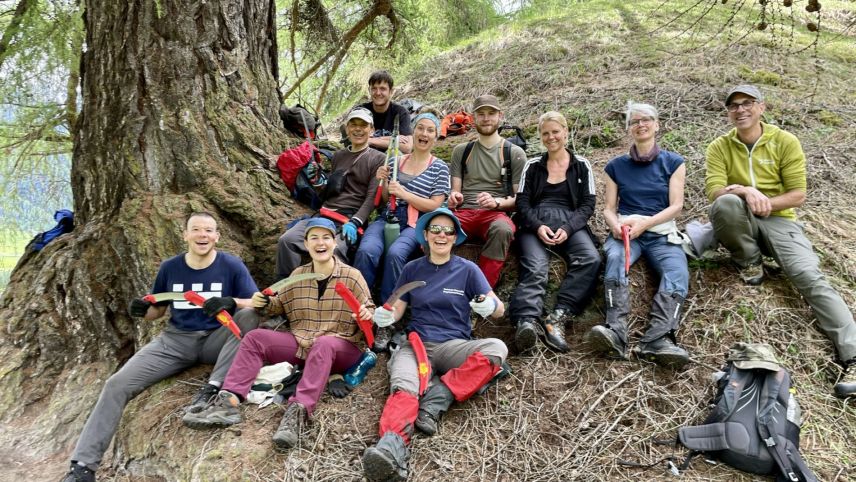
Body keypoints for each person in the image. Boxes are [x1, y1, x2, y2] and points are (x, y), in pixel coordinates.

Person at [61, 212, 258, 482]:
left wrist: (231, 302)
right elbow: (158, 311)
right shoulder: (170, 267)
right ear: (185, 235)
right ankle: (83, 466)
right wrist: (143, 310)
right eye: (197, 230)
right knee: (117, 384)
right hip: (175, 341)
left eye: (209, 231)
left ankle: (213, 389)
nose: (203, 235)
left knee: (248, 318)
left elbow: (257, 303)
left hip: (217, 339)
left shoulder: (231, 265)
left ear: (217, 236)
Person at [705, 84, 856, 397]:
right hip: (739, 218)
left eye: (748, 103)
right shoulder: (720, 146)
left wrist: (768, 203)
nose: (741, 110)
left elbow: (798, 194)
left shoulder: (784, 141)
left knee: (808, 275)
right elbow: (715, 191)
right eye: (734, 105)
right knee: (726, 204)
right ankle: (749, 262)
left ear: (762, 107)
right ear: (728, 112)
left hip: (780, 220)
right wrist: (746, 191)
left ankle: (853, 355)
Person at [183, 218, 375, 448]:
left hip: (342, 347)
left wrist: (367, 314)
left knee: (324, 344)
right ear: (305, 244)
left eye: (326, 237)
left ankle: (298, 413)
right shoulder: (297, 276)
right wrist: (262, 302)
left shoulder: (352, 276)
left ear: (335, 243)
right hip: (303, 343)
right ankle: (229, 402)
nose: (320, 243)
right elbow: (277, 306)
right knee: (255, 338)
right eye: (314, 238)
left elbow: (370, 311)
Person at [361, 208, 508, 481]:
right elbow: (396, 311)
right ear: (425, 235)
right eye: (436, 230)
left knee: (497, 349)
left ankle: (438, 398)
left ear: (455, 238)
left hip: (455, 345)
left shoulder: (468, 270)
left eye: (448, 231)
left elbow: (499, 310)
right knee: (403, 387)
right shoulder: (411, 269)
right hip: (416, 346)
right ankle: (393, 447)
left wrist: (490, 306)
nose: (442, 235)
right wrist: (383, 317)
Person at [586, 103, 691, 368]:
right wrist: (614, 226)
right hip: (626, 231)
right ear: (629, 129)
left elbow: (676, 206)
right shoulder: (616, 166)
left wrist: (645, 224)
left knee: (677, 272)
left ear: (657, 124)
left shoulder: (674, 162)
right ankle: (615, 332)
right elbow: (609, 209)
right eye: (634, 121)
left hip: (659, 231)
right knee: (614, 259)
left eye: (646, 120)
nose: (641, 125)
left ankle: (658, 339)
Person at [353, 111, 450, 350]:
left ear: (436, 136)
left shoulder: (439, 168)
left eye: (430, 130)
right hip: (387, 217)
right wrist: (383, 183)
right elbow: (386, 198)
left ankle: (388, 320)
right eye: (420, 128)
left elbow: (436, 204)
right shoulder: (397, 162)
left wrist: (406, 194)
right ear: (413, 132)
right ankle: (360, 310)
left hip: (415, 222)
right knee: (366, 251)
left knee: (397, 254)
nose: (424, 134)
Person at [510, 111, 600, 353]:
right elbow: (522, 203)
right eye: (546, 133)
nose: (551, 137)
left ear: (565, 132)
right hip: (534, 222)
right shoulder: (532, 165)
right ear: (541, 136)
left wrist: (568, 228)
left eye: (555, 132)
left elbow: (587, 204)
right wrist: (537, 226)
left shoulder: (581, 165)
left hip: (570, 221)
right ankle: (526, 322)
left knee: (590, 258)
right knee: (536, 265)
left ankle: (558, 316)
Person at [276, 107, 386, 279]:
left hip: (348, 220)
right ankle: (286, 290)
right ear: (347, 128)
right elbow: (329, 194)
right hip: (324, 215)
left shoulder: (378, 158)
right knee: (287, 240)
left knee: (336, 251)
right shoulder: (338, 156)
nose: (358, 129)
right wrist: (318, 183)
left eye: (363, 125)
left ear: (371, 130)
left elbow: (373, 197)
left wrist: (355, 222)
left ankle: (334, 298)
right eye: (353, 124)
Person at [448, 94, 527, 287]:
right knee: (433, 227)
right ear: (474, 118)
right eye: (481, 114)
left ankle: (483, 290)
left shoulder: (514, 154)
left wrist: (496, 202)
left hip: (494, 214)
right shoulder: (461, 151)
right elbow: (455, 191)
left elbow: (520, 199)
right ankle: (440, 283)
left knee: (503, 229)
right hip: (464, 212)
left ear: (500, 116)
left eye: (491, 113)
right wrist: (454, 197)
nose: (486, 118)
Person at [361, 70, 413, 154]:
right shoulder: (362, 111)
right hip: (365, 157)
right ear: (369, 90)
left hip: (389, 161)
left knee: (394, 153)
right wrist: (393, 138)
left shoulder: (400, 113)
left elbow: (407, 147)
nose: (378, 93)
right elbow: (353, 139)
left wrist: (370, 140)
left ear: (391, 92)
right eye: (374, 88)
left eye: (383, 89)